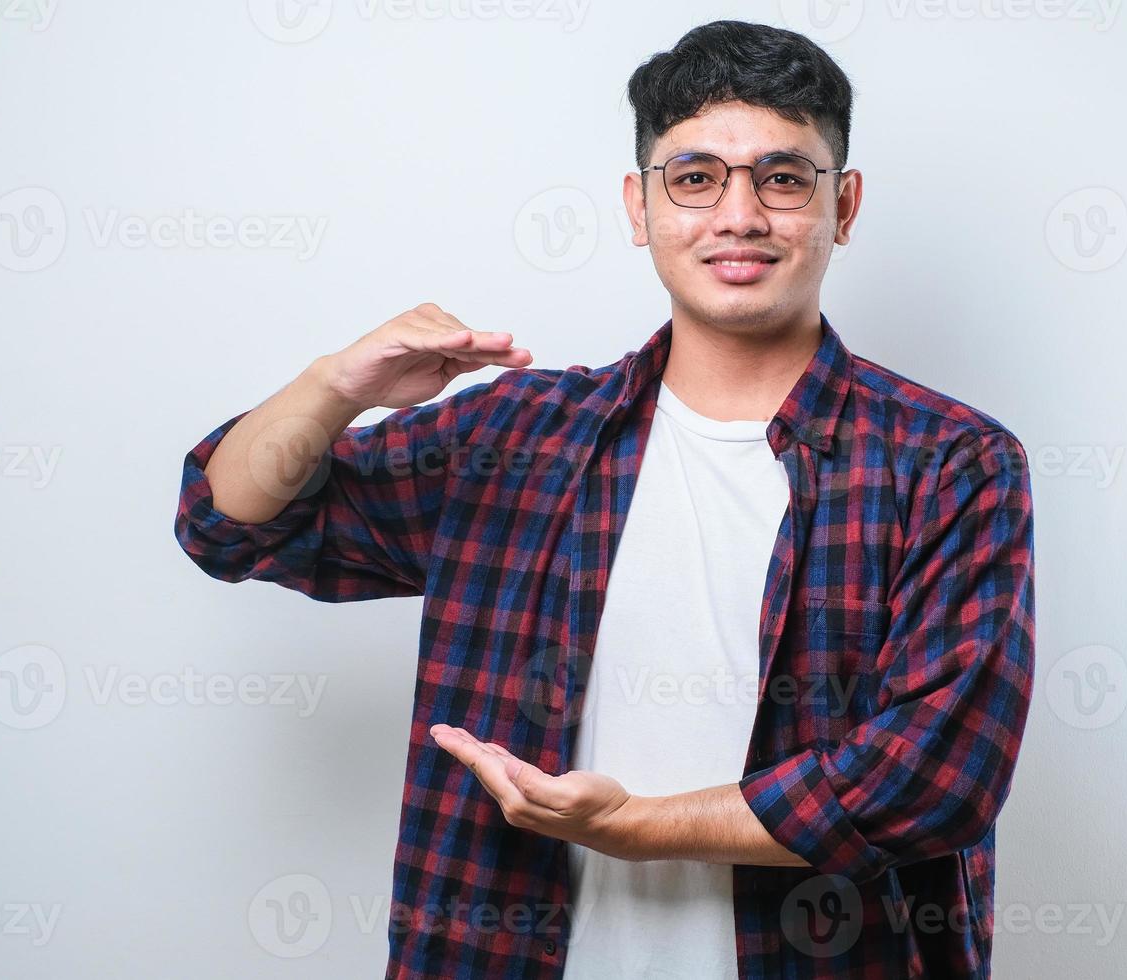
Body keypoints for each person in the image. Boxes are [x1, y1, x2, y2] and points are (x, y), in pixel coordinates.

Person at [174, 19, 1034, 980]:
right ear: (640, 205)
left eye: (784, 178)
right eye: (695, 176)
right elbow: (229, 522)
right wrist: (337, 386)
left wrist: (637, 827)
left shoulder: (949, 462)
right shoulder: (516, 439)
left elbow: (935, 779)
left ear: (845, 205)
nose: (739, 214)